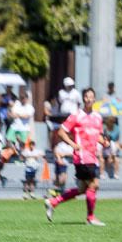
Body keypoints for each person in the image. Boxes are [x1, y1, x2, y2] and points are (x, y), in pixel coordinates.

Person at [44, 87, 107, 226]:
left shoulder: (98, 117)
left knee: (82, 189)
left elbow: (99, 137)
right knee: (94, 185)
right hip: (83, 156)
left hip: (93, 156)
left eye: (91, 96)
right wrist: (73, 144)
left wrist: (105, 142)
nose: (89, 99)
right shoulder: (76, 115)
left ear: (94, 99)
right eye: (86, 96)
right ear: (83, 99)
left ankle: (53, 202)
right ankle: (90, 218)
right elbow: (61, 132)